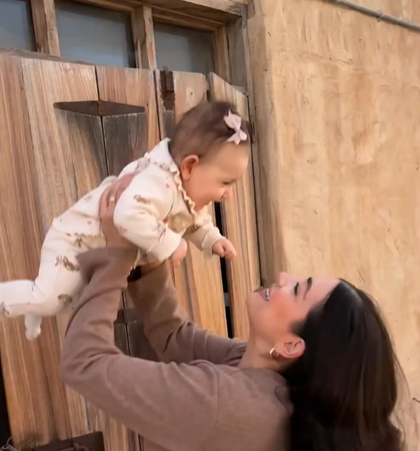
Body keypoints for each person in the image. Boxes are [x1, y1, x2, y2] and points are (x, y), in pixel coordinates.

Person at [60, 180, 403, 451]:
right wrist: (148, 245)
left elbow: (84, 362)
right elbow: (175, 337)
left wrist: (117, 253)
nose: (283, 277)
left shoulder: (228, 405)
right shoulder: (262, 373)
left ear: (291, 345)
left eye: (297, 289)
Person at [0, 101, 250, 340]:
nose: (227, 195)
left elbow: (196, 221)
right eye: (225, 182)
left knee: (66, 300)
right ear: (189, 167)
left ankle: (34, 305)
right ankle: (25, 300)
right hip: (74, 240)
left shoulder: (181, 191)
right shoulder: (159, 183)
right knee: (51, 298)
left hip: (92, 249)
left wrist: (212, 239)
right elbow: (127, 215)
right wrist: (172, 243)